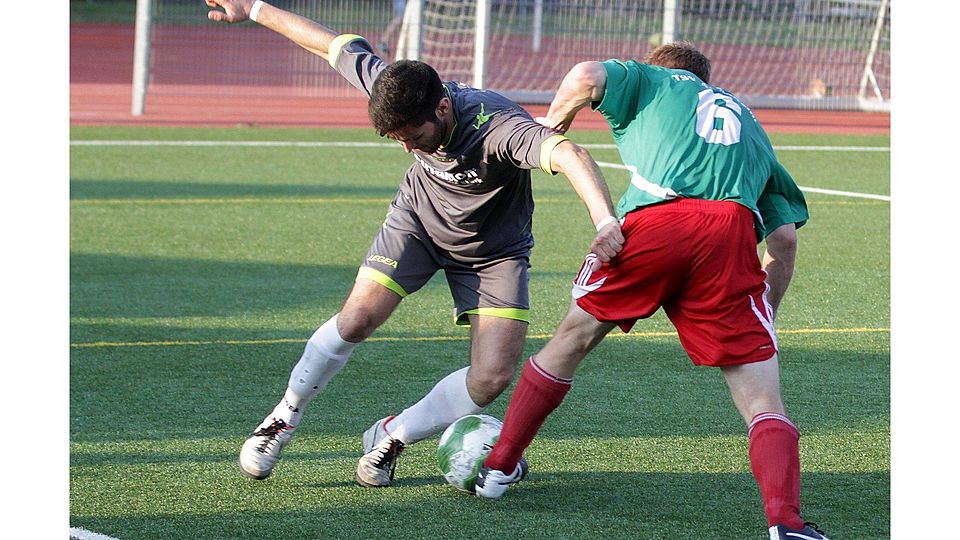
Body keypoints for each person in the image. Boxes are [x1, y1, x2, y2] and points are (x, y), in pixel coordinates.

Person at [204, 0, 624, 488]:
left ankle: (392, 436)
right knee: (357, 318)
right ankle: (282, 418)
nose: (407, 147)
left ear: (443, 107)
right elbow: (330, 44)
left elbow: (568, 153)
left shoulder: (498, 127)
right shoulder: (400, 89)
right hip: (418, 224)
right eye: (395, 139)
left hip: (494, 253)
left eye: (414, 135)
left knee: (491, 377)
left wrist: (604, 219)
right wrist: (253, 8)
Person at [474, 42, 830, 540]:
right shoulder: (750, 125)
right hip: (729, 235)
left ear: (660, 71)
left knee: (570, 343)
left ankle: (497, 468)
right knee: (762, 401)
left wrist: (550, 130)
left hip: (654, 224)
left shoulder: (652, 79)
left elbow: (584, 74)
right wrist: (760, 312)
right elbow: (784, 238)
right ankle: (786, 524)